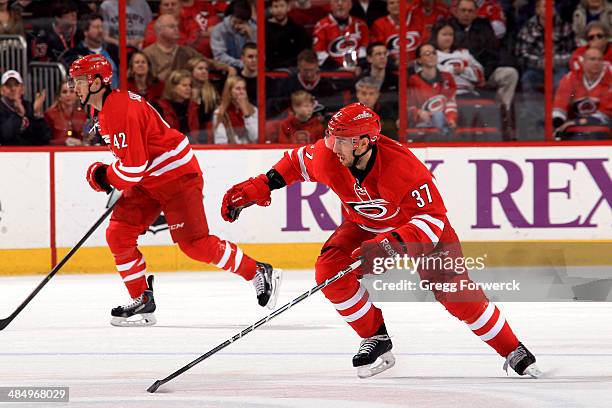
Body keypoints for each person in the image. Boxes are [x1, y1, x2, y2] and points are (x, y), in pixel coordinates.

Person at [220, 102, 541, 379]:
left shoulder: (403, 169)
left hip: (423, 232)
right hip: (364, 225)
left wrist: (390, 245)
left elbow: (432, 221)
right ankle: (375, 336)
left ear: (362, 143)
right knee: (329, 272)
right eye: (331, 138)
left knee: (457, 296)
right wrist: (259, 186)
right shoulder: (329, 155)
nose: (332, 146)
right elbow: (294, 164)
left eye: (341, 141)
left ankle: (512, 349)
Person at [68, 54, 280, 326]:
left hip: (176, 176)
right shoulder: (106, 108)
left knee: (195, 245)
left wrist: (103, 175)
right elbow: (135, 164)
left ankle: (257, 271)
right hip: (149, 179)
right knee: (119, 234)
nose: (76, 87)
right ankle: (142, 300)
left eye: (80, 81)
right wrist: (112, 176)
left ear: (97, 82)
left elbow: (132, 169)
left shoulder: (118, 110)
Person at [553, 47, 611, 140]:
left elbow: (606, 114)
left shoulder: (609, 80)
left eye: (600, 59)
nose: (596, 62)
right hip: (575, 127)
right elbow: (562, 102)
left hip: (602, 127)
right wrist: (559, 123)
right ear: (583, 62)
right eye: (592, 59)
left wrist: (578, 122)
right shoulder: (572, 79)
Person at [408, 44, 458, 137]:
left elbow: (451, 102)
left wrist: (451, 119)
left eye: (434, 53)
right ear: (419, 60)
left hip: (445, 124)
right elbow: (409, 106)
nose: (432, 56)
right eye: (427, 53)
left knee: (438, 116)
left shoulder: (447, 77)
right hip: (423, 124)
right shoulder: (413, 80)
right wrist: (418, 112)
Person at [62, 13, 120, 88]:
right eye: (96, 27)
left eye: (101, 27)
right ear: (85, 32)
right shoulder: (75, 54)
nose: (100, 31)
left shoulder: (112, 50)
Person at [313, 0, 369, 71]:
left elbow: (364, 49)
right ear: (331, 5)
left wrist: (360, 66)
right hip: (332, 72)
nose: (340, 4)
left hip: (358, 71)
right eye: (336, 1)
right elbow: (319, 53)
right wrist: (339, 68)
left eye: (344, 1)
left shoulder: (361, 25)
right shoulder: (321, 26)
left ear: (350, 5)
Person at [0, 70, 50, 145]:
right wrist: (19, 115)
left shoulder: (29, 106)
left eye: (16, 85)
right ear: (1, 90)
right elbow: (5, 135)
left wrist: (37, 114)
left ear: (22, 89)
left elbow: (45, 138)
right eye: (8, 85)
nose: (13, 89)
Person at [156, 69, 201, 143]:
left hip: (194, 147)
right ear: (173, 87)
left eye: (190, 85)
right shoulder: (159, 107)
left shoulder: (195, 107)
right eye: (184, 85)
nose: (188, 88)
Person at [210, 0, 257, 70]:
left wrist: (251, 37)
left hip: (251, 68)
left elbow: (259, 54)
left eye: (241, 23)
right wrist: (241, 64)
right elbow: (219, 56)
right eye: (235, 22)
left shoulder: (254, 29)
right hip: (229, 68)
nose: (236, 26)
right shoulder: (218, 30)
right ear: (230, 16)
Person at [265, 0, 311, 70]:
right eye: (276, 6)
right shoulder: (264, 29)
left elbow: (304, 54)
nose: (279, 10)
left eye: (282, 6)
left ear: (288, 7)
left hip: (293, 71)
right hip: (271, 70)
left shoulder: (298, 30)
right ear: (271, 9)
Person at [213, 76, 258, 144]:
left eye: (244, 89)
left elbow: (255, 137)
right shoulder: (220, 113)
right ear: (229, 92)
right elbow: (221, 142)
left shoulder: (254, 110)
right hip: (231, 152)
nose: (242, 92)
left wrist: (246, 113)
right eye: (238, 89)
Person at [44, 80, 88, 145]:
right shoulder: (49, 114)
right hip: (56, 152)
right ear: (59, 96)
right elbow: (44, 141)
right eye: (64, 92)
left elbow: (87, 139)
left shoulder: (83, 115)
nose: (68, 95)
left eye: (71, 91)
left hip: (78, 152)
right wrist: (64, 141)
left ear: (77, 95)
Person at [188, 56, 219, 143]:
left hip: (207, 136)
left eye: (206, 69)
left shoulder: (212, 92)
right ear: (191, 71)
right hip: (189, 136)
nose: (204, 71)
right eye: (200, 68)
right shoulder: (185, 92)